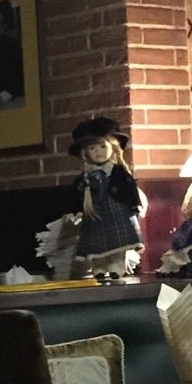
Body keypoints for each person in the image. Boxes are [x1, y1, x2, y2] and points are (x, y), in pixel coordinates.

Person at [65, 116, 145, 277]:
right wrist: (77, 211)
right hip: (94, 214)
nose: (98, 152)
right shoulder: (85, 178)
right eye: (92, 148)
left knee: (118, 244)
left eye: (103, 146)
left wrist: (135, 204)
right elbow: (78, 195)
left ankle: (117, 267)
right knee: (97, 244)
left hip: (117, 212)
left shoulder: (118, 172)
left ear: (112, 147)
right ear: (85, 152)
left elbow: (130, 188)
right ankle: (99, 268)